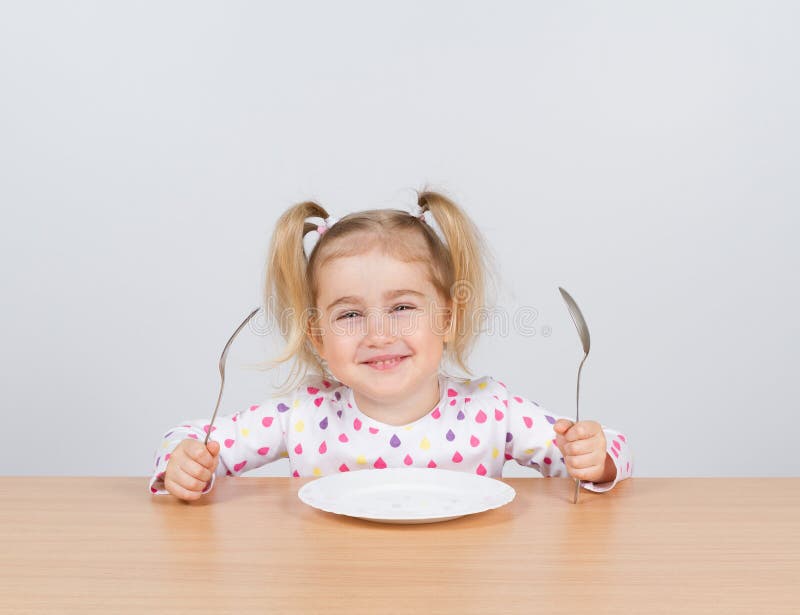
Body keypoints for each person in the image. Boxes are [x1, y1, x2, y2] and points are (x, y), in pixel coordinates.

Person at [149, 190, 632, 501]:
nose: (379, 334)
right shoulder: (303, 416)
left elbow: (609, 451)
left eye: (402, 307)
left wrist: (596, 455)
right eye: (350, 315)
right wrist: (185, 463)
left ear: (448, 317)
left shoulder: (492, 411)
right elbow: (192, 440)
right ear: (317, 336)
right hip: (336, 586)